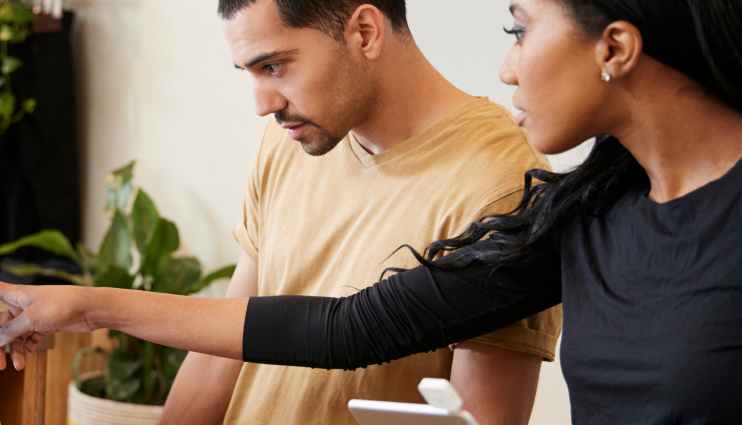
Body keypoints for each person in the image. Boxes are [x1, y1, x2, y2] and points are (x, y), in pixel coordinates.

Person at [0, 0, 742, 422]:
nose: (507, 67)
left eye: (519, 29)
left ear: (615, 47)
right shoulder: (588, 216)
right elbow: (346, 328)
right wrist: (77, 304)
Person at [150, 1, 563, 424]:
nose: (263, 104)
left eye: (273, 67)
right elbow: (221, 355)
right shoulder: (293, 139)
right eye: (250, 73)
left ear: (364, 32)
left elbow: (483, 416)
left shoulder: (503, 184)